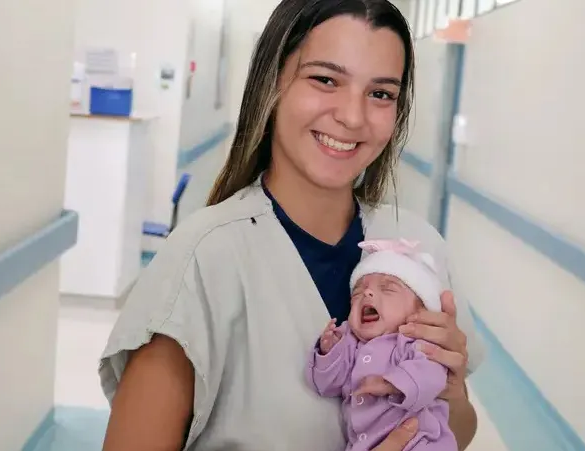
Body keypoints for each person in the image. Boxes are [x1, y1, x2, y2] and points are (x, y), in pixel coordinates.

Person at [98, 1, 485, 450]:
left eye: (381, 93)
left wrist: (451, 390)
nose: (353, 117)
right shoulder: (202, 259)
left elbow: (458, 428)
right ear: (272, 83)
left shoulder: (419, 248)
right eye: (325, 80)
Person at [307, 239, 457, 451]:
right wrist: (329, 351)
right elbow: (326, 385)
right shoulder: (350, 343)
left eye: (387, 289)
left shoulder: (412, 341)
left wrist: (392, 384)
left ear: (419, 313)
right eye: (357, 293)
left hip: (420, 440)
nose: (366, 294)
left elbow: (431, 374)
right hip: (364, 444)